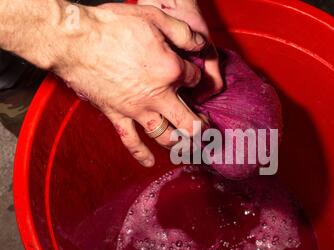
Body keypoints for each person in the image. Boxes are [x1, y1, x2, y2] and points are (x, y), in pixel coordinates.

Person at [0, 0, 223, 167]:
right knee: (59, 154)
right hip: (13, 51)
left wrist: (169, 4)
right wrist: (76, 37)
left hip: (117, 13)